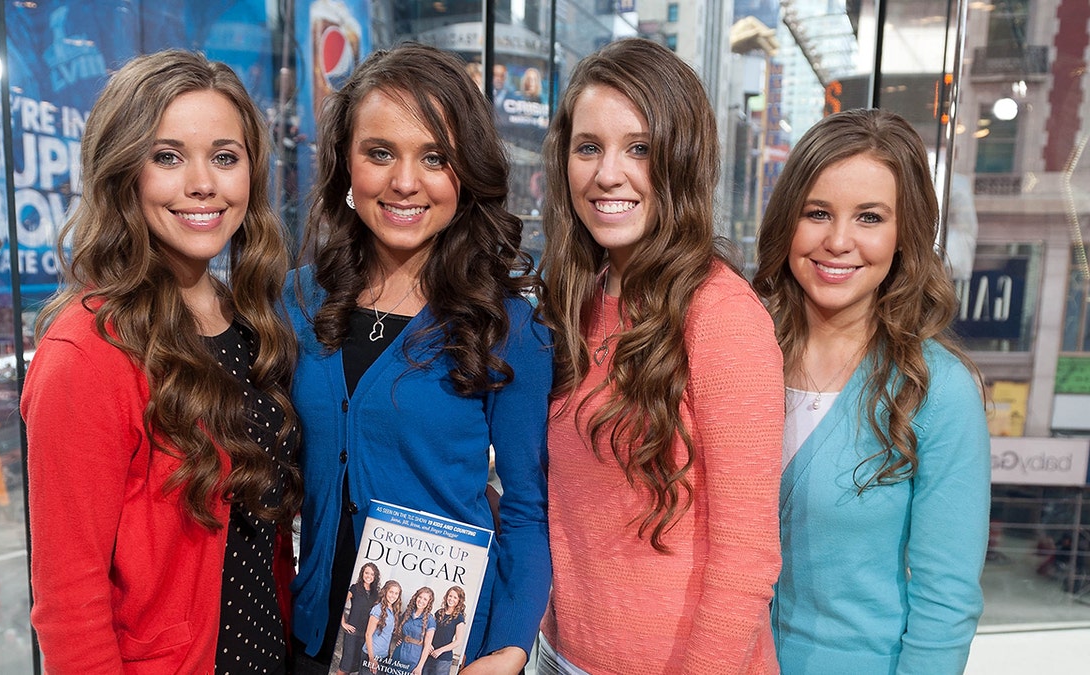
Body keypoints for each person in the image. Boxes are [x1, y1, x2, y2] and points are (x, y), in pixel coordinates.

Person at [21, 50, 302, 674]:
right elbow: (69, 600)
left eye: (225, 157)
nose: (203, 183)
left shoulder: (253, 324)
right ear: (124, 173)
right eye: (167, 157)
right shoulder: (87, 353)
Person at [289, 41, 552, 675]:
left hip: (446, 653)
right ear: (345, 165)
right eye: (380, 153)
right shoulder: (295, 300)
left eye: (434, 158)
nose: (405, 182)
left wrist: (512, 648)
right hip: (309, 641)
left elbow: (525, 507)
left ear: (466, 175)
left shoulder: (510, 325)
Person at [536, 37, 783, 674]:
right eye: (588, 147)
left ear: (681, 160)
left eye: (639, 148)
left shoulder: (721, 316)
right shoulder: (573, 302)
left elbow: (747, 559)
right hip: (562, 659)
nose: (607, 173)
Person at [752, 108, 991, 674]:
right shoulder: (738, 353)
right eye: (817, 213)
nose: (838, 241)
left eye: (869, 217)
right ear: (787, 220)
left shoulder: (938, 390)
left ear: (905, 234)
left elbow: (946, 601)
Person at [339, 563, 382, 675]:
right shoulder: (354, 588)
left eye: (372, 574)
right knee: (345, 668)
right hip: (352, 634)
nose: (369, 576)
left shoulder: (376, 594)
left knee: (355, 668)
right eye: (366, 573)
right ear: (362, 573)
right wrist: (343, 623)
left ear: (375, 576)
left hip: (365, 636)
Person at [362, 579, 403, 675]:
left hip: (384, 656)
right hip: (372, 655)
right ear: (385, 592)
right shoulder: (377, 610)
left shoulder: (393, 611)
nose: (393, 596)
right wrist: (371, 658)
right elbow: (368, 634)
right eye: (391, 592)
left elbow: (388, 632)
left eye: (396, 593)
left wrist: (399, 639)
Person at [423, 586, 467, 675]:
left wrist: (440, 650)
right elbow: (429, 630)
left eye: (455, 597)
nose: (451, 599)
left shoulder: (459, 618)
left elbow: (458, 641)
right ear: (446, 596)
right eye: (450, 596)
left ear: (459, 601)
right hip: (429, 654)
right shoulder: (439, 613)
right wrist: (428, 644)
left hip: (443, 660)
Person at [393, 586, 436, 674]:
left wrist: (420, 667)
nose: (421, 601)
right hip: (399, 653)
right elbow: (399, 629)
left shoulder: (430, 620)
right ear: (416, 597)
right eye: (420, 597)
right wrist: (399, 638)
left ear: (429, 603)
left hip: (414, 657)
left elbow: (427, 646)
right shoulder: (408, 613)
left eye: (425, 599)